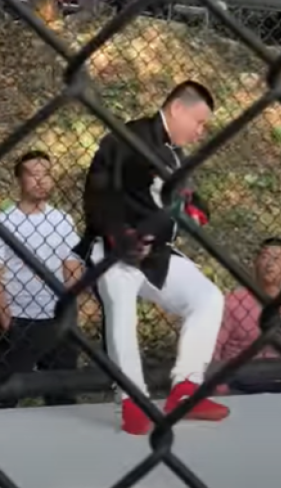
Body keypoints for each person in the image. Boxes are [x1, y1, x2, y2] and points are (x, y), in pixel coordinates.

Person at [75, 81, 228, 435]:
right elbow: (98, 192)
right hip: (116, 251)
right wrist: (119, 233)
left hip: (156, 255)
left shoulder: (175, 154)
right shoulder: (128, 137)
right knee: (122, 309)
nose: (201, 131)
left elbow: (189, 198)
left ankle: (186, 388)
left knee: (207, 298)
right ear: (177, 109)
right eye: (199, 121)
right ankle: (132, 400)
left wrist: (196, 209)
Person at [0, 151, 82, 408]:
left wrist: (69, 310)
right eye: (33, 174)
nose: (41, 180)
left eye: (46, 173)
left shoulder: (62, 220)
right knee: (5, 394)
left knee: (62, 395)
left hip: (57, 319)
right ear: (19, 180)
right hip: (19, 318)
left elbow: (72, 267)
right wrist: (6, 321)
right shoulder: (5, 221)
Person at [214, 238, 281, 394]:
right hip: (236, 381)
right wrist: (218, 385)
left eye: (276, 258)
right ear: (255, 264)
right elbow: (215, 347)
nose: (270, 264)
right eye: (264, 257)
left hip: (277, 380)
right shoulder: (232, 301)